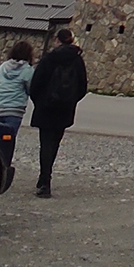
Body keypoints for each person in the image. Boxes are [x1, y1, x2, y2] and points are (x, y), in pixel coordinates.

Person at [25, 28, 87, 199]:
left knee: (45, 143)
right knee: (55, 143)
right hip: (65, 109)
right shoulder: (77, 60)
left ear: (57, 40)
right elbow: (82, 86)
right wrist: (71, 100)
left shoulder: (49, 58)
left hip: (46, 107)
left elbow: (36, 84)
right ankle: (45, 177)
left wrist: (40, 101)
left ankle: (44, 180)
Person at [0, 41, 36, 187]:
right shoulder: (27, 70)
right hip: (14, 109)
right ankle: (5, 171)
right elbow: (30, 88)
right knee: (9, 141)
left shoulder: (3, 66)